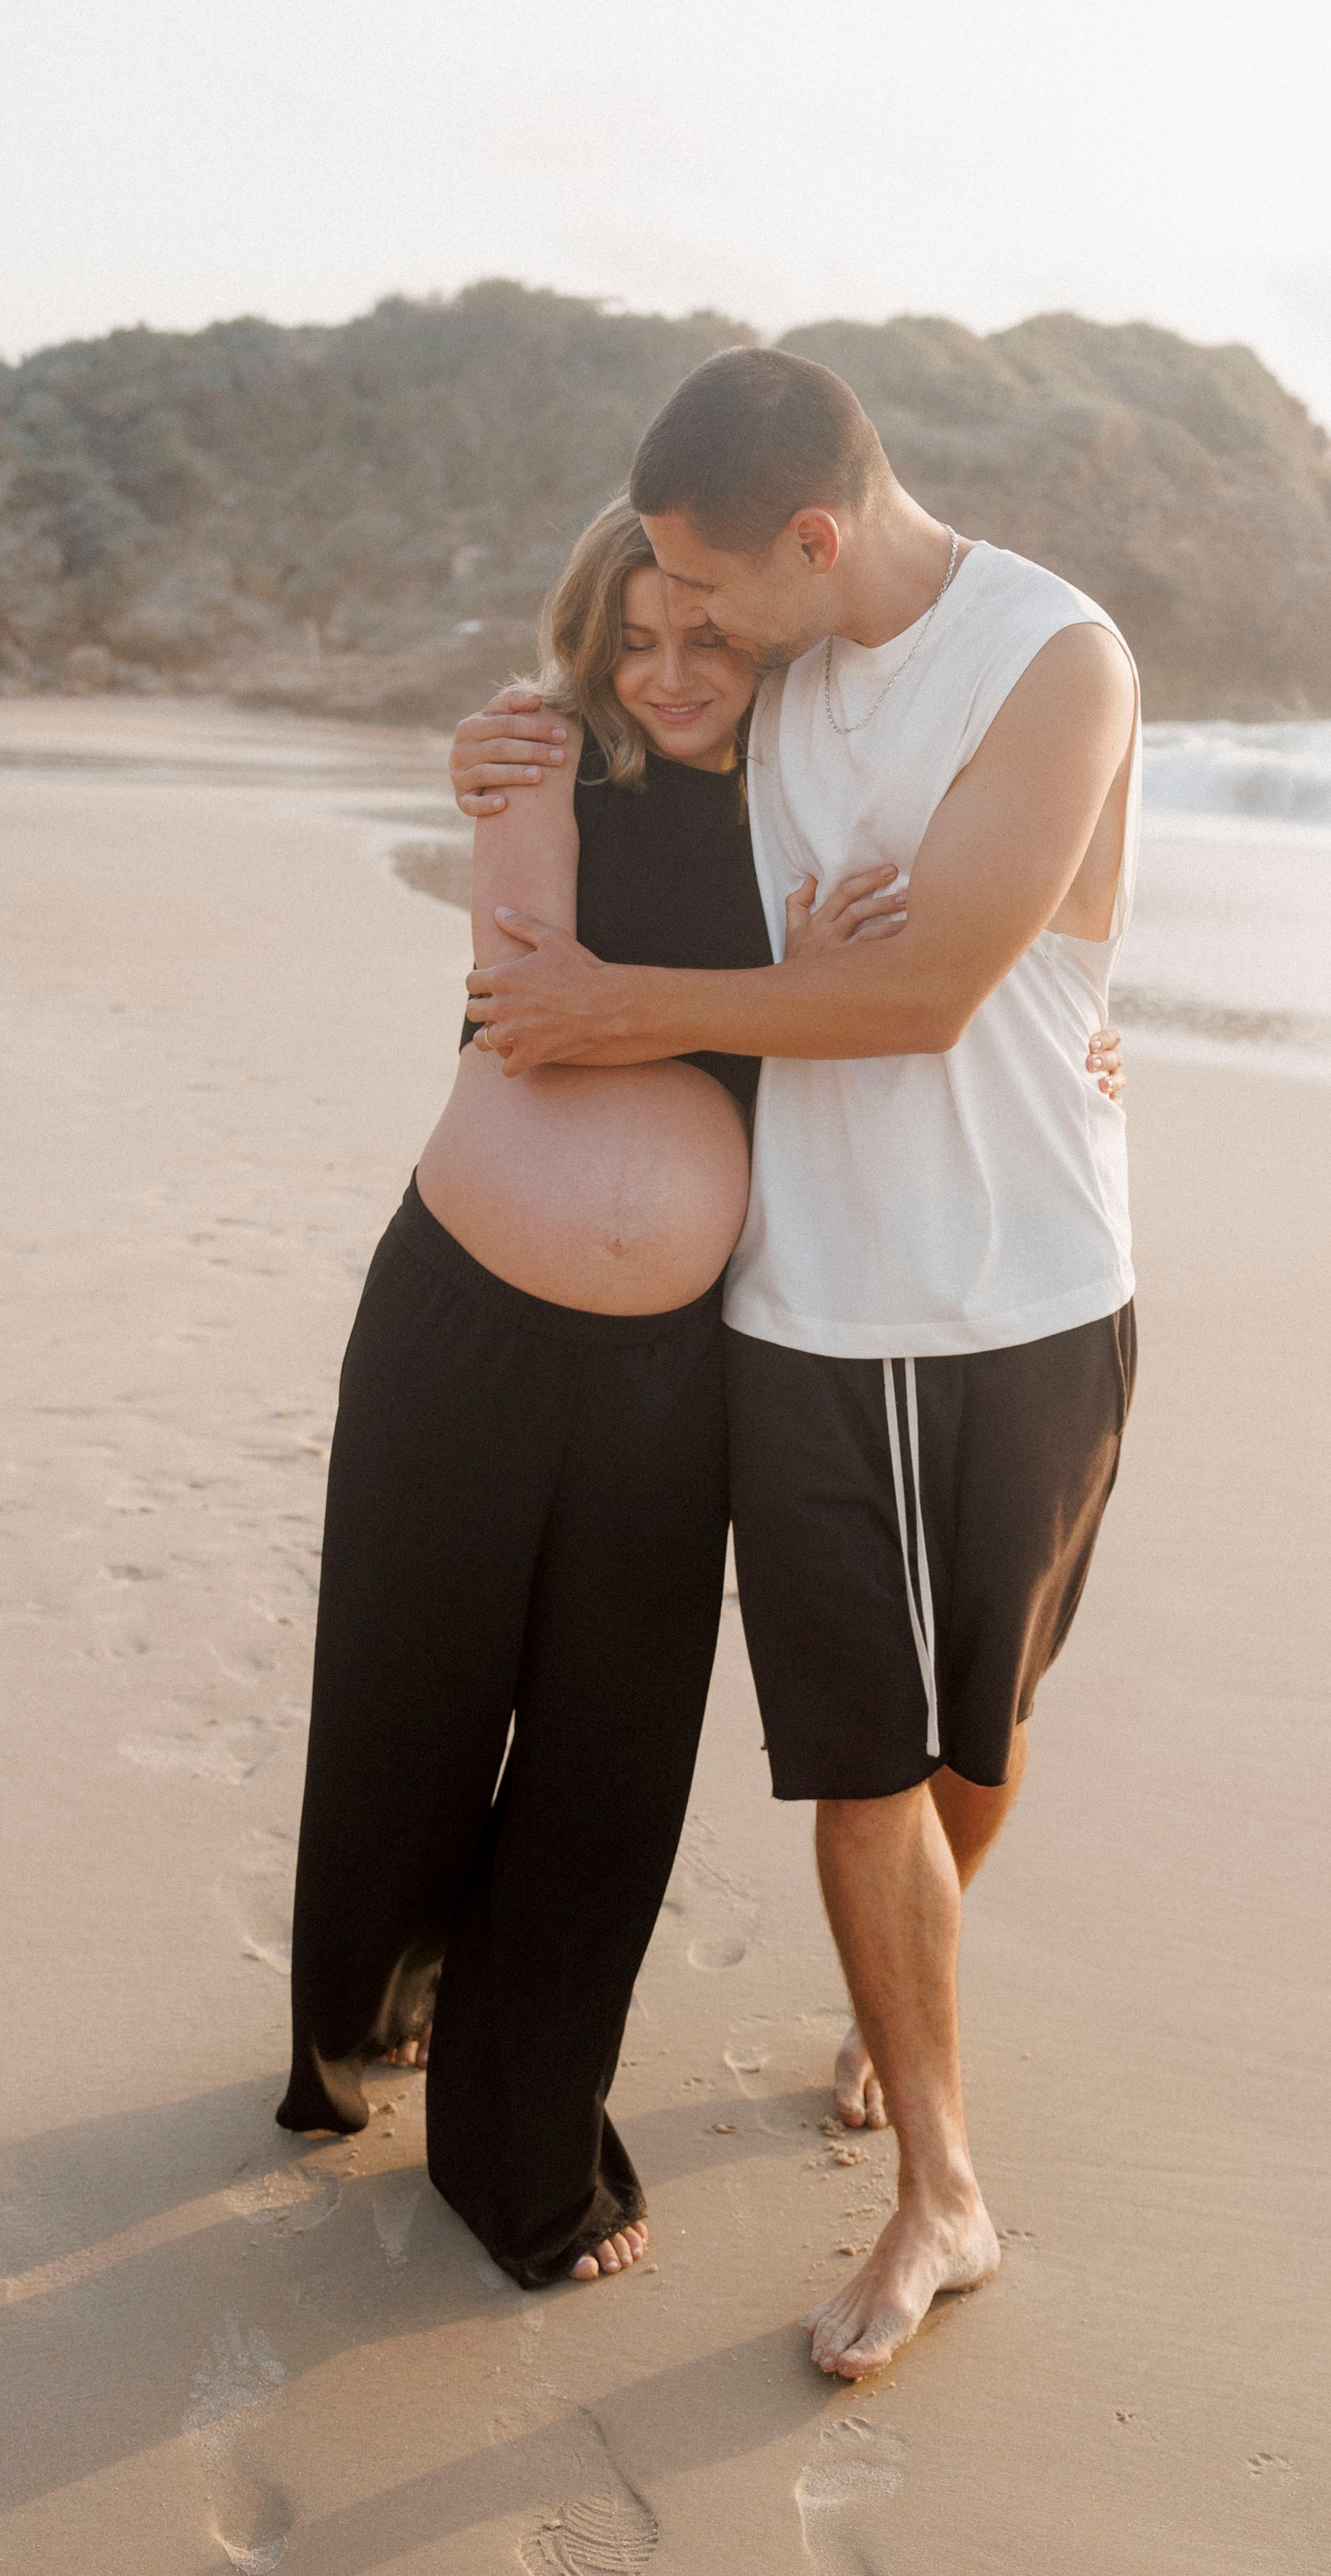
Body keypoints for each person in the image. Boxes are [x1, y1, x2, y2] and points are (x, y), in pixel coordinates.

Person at [455, 346, 1140, 2374]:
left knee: (968, 1747)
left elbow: (934, 989)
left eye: (715, 585)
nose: (699, 623)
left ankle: (897, 2004)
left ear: (817, 540)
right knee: (857, 1762)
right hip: (812, 1306)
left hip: (1021, 1287)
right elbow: (630, 724)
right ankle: (946, 2191)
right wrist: (500, 757)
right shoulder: (782, 658)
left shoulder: (1055, 660)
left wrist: (634, 1007)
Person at [273, 495, 928, 2287]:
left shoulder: (816, 807)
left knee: (606, 1770)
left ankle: (523, 2160)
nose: (664, 670)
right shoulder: (538, 753)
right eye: (630, 637)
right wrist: (790, 982)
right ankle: (359, 2022)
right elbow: (533, 1002)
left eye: (701, 637)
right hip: (456, 1329)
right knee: (406, 1716)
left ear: (766, 623)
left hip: (673, 1374)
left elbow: (884, 1031)